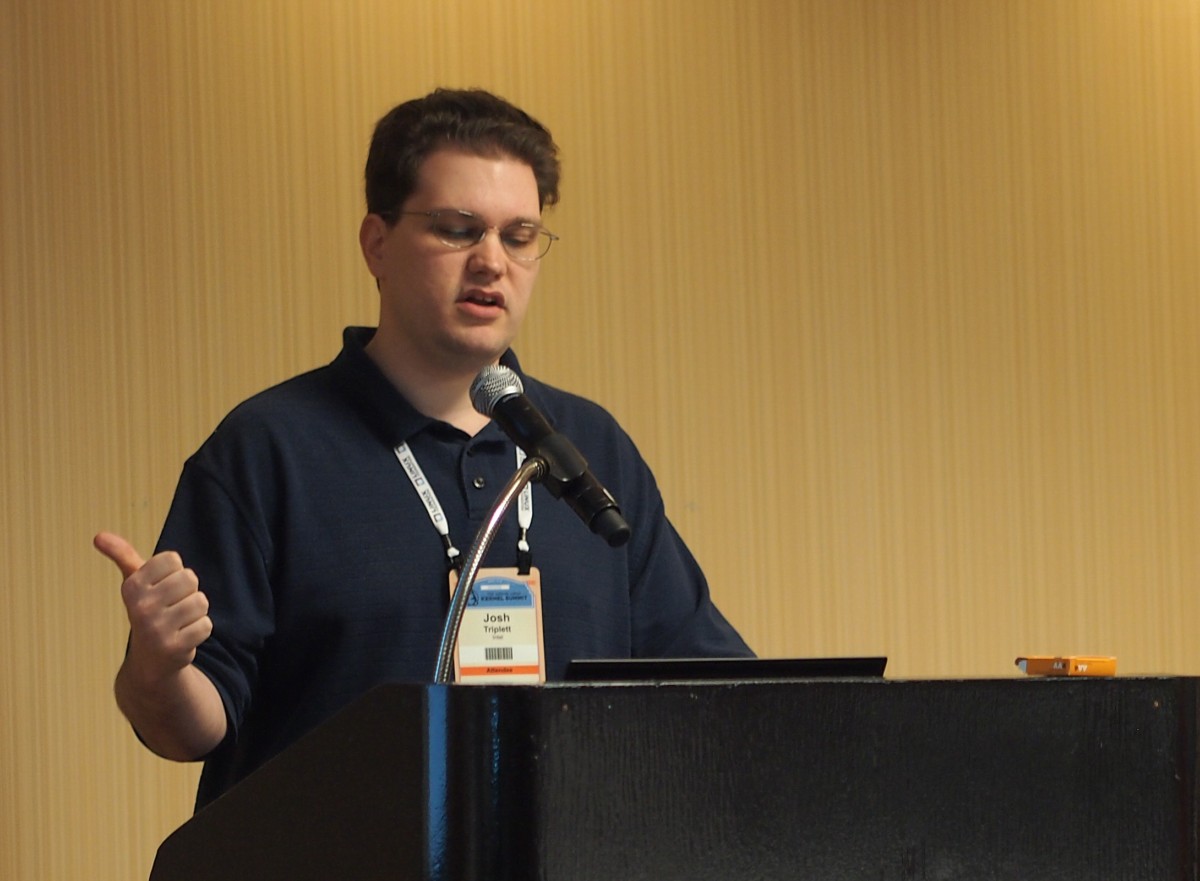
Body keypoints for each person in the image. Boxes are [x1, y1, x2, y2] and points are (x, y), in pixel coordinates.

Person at [95, 88, 753, 810]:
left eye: (520, 236)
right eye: (458, 230)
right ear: (376, 243)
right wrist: (156, 669)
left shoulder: (588, 447)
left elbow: (711, 689)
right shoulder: (268, 449)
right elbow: (189, 726)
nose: (492, 262)